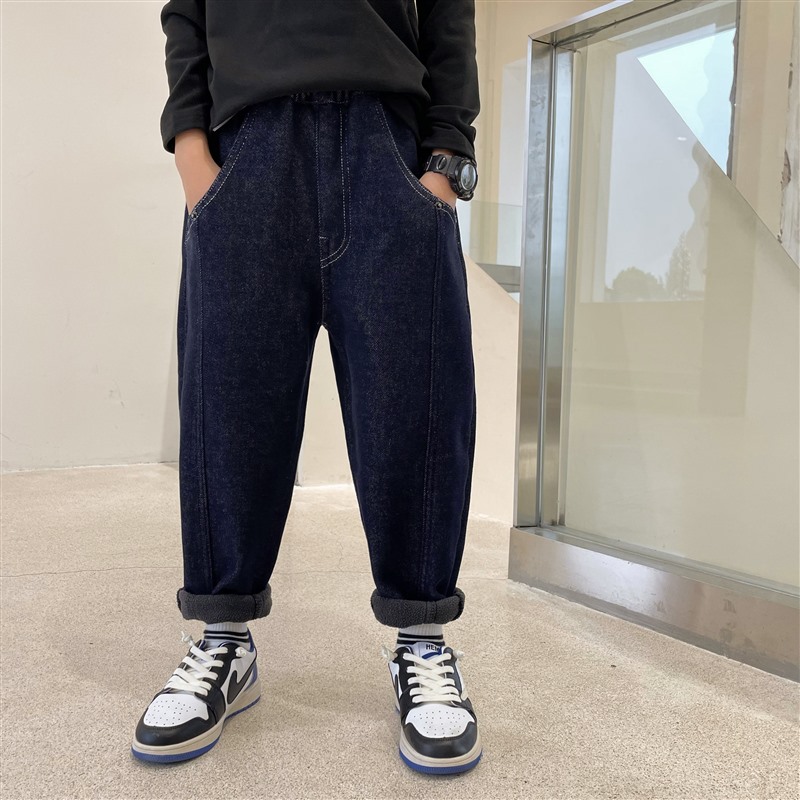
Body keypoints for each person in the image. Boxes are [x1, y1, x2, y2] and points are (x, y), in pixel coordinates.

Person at [131, 0, 481, 775]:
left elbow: (449, 12)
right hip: (247, 151)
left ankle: (423, 639)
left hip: (389, 146)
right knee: (229, 405)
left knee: (417, 403)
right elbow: (186, 13)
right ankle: (223, 638)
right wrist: (192, 155)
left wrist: (446, 161)